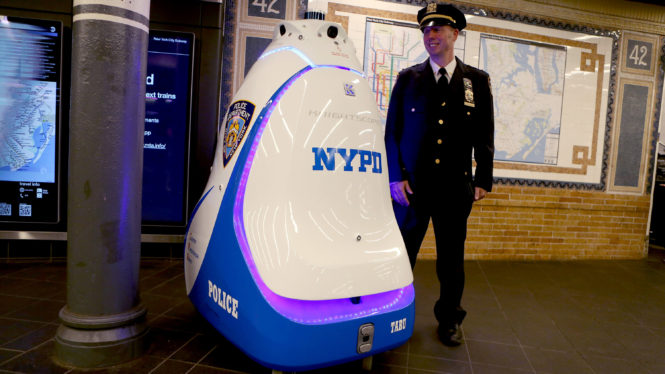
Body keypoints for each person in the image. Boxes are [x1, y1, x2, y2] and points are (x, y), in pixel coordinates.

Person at [384, 3, 494, 346]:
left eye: (438, 29)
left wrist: (482, 179)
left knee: (451, 261)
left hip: (454, 189)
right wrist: (394, 178)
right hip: (412, 189)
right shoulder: (408, 79)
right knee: (402, 256)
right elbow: (391, 133)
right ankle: (389, 315)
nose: (430, 36)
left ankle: (450, 319)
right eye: (426, 30)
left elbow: (485, 133)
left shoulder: (476, 81)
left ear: (454, 34)